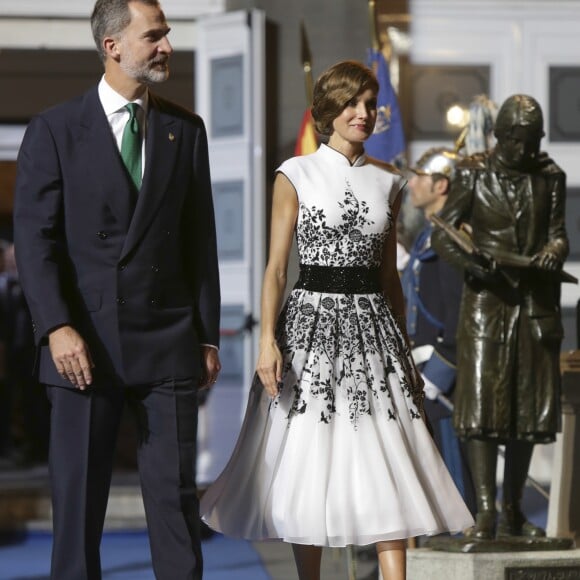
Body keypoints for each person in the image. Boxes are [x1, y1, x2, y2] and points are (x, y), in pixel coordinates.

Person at [201, 60, 473, 580]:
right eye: (352, 103)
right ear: (327, 110)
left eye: (371, 104)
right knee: (312, 456)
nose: (363, 113)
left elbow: (390, 279)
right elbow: (277, 268)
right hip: (310, 329)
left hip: (376, 333)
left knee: (386, 455)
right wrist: (266, 344)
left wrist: (404, 347)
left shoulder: (390, 181)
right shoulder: (295, 173)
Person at [13, 0, 221, 578]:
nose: (167, 47)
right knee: (77, 512)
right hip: (82, 346)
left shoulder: (187, 130)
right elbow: (35, 241)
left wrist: (207, 337)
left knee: (177, 506)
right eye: (154, 36)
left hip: (169, 340)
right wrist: (56, 327)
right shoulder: (53, 130)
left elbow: (199, 242)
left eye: (166, 34)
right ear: (113, 47)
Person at [432, 94, 568, 540]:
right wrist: (474, 265)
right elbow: (444, 233)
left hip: (531, 305)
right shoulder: (472, 173)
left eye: (535, 141)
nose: (529, 151)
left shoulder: (549, 177)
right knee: (482, 407)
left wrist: (551, 252)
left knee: (527, 410)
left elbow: (558, 235)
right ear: (503, 137)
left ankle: (513, 510)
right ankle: (485, 510)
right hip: (487, 304)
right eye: (522, 141)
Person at [402, 148, 476, 515]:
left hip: (445, 375)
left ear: (441, 184)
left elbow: (459, 313)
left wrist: (440, 373)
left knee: (456, 479)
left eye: (418, 176)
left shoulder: (453, 238)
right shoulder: (428, 237)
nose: (411, 183)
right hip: (422, 369)